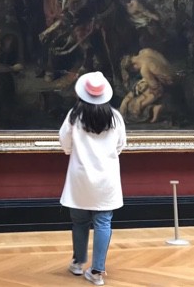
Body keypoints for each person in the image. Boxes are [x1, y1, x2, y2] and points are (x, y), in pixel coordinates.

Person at [59, 71, 127, 286]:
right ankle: (97, 271)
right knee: (103, 222)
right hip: (107, 179)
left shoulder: (74, 116)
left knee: (79, 221)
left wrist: (75, 152)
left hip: (80, 178)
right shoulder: (115, 117)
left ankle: (78, 263)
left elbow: (65, 143)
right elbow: (120, 145)